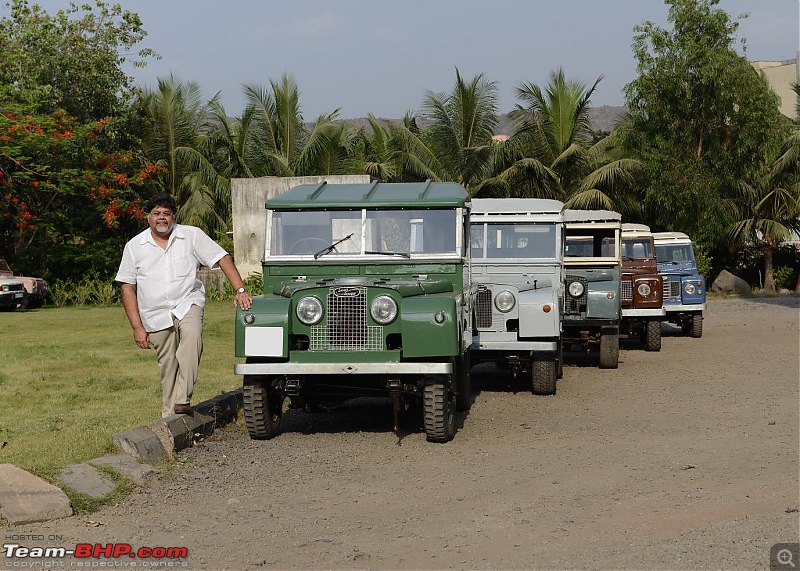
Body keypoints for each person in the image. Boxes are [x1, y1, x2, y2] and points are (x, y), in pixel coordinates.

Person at [115, 193, 253, 417]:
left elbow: (222, 257)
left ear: (174, 216)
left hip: (187, 301)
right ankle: (170, 417)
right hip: (155, 312)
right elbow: (127, 287)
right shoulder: (134, 246)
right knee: (168, 365)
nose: (162, 218)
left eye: (167, 214)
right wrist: (137, 327)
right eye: (156, 214)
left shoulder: (190, 235)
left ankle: (182, 399)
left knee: (192, 335)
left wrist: (240, 290)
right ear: (147, 217)